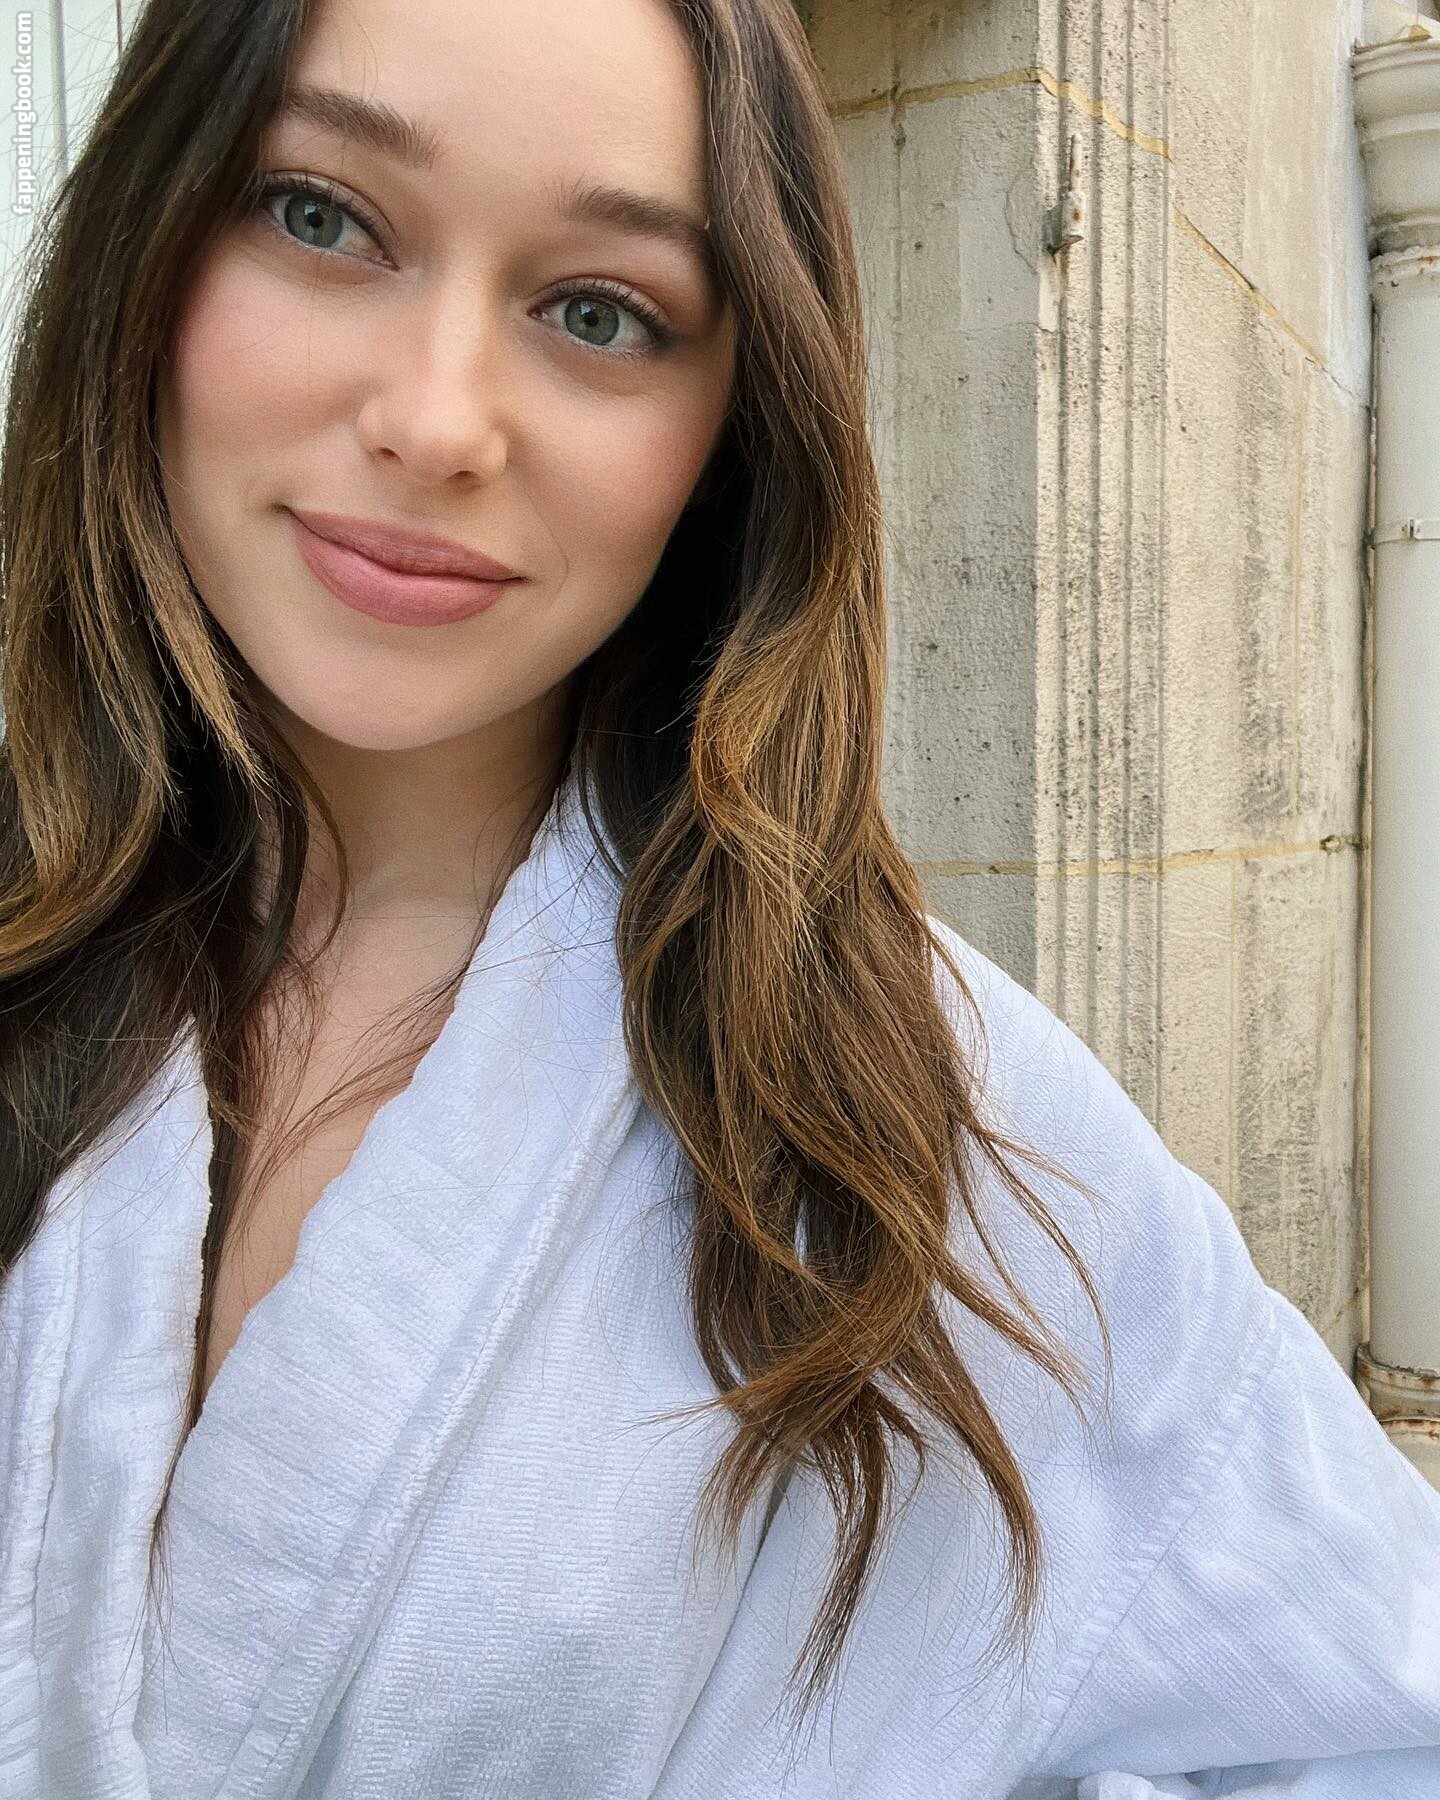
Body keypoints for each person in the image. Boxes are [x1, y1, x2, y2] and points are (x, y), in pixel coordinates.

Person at [0, 0, 1435, 1795]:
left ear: (731, 429)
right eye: (321, 217)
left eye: (600, 312)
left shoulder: (930, 1116)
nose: (436, 421)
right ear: (149, 235)